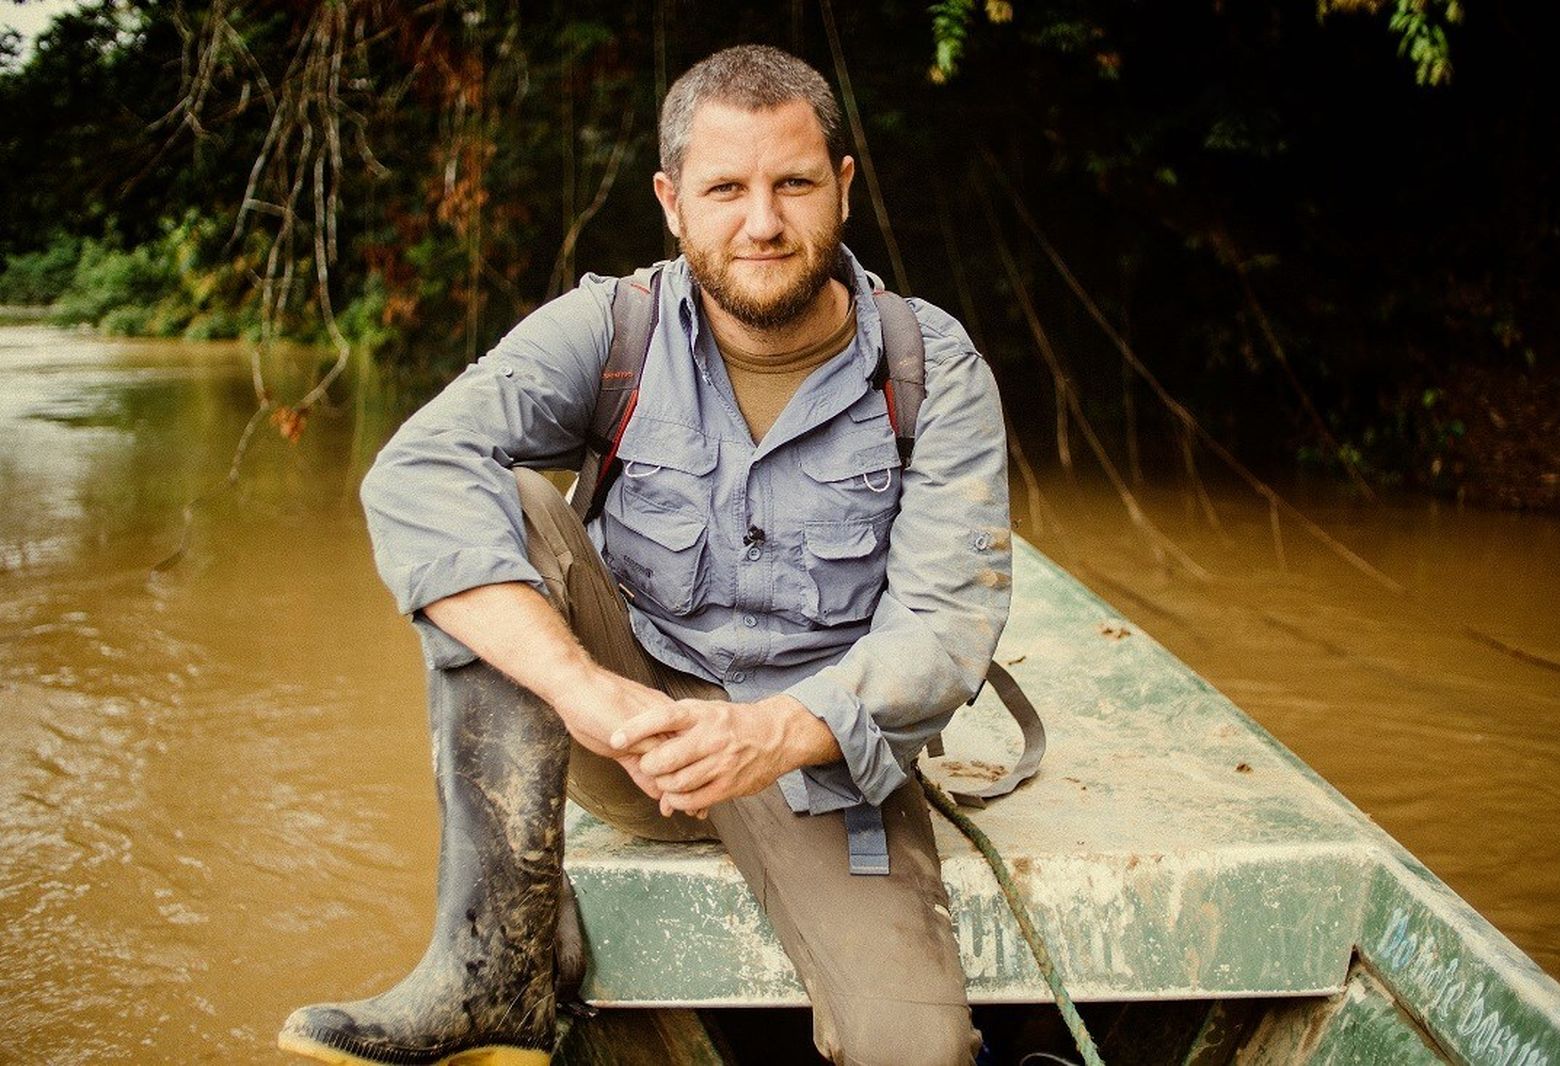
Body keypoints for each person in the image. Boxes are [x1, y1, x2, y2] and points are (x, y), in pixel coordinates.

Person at [279, 44, 1011, 1066]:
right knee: (504, 498)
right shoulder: (613, 324)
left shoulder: (930, 367)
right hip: (630, 741)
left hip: (820, 760)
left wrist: (775, 732)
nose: (761, 222)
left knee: (916, 1053)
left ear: (841, 188)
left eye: (794, 183)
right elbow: (415, 470)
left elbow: (943, 625)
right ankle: (491, 970)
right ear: (673, 202)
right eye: (725, 189)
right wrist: (591, 695)